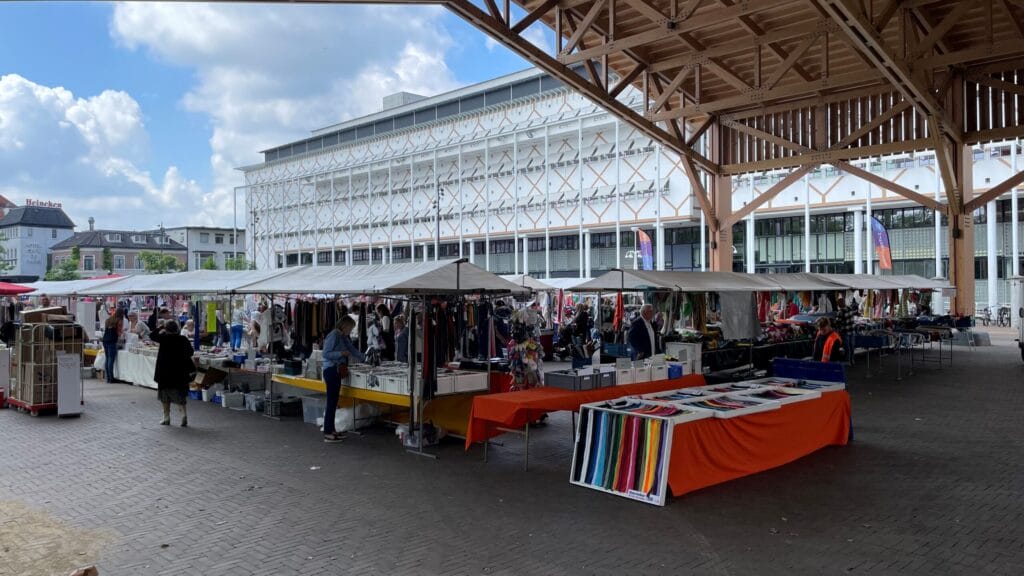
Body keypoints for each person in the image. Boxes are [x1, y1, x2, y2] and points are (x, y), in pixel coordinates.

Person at [321, 316, 364, 443]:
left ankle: (332, 429)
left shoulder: (343, 336)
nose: (351, 331)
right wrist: (340, 354)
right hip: (331, 370)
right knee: (331, 402)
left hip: (337, 370)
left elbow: (352, 349)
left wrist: (364, 357)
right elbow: (326, 353)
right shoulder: (334, 335)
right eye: (350, 328)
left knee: (334, 402)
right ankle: (328, 432)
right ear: (344, 326)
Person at [151, 320, 195, 427]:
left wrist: (160, 327)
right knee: (180, 394)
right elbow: (191, 352)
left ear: (166, 329)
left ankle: (166, 417)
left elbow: (152, 335)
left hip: (164, 373)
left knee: (164, 395)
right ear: (177, 329)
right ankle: (183, 414)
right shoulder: (183, 339)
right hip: (180, 372)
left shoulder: (164, 338)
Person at [101, 309, 123, 384]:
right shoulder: (119, 320)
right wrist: (123, 334)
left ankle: (108, 378)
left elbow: (106, 330)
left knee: (107, 359)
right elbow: (119, 332)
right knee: (111, 359)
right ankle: (111, 378)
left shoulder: (108, 320)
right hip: (112, 341)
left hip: (105, 340)